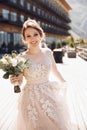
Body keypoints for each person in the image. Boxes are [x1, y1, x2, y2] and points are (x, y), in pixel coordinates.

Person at [10, 19, 71, 130]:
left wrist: (64, 82)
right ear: (24, 39)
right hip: (30, 98)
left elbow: (55, 70)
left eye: (35, 34)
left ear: (41, 35)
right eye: (28, 36)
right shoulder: (21, 58)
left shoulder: (48, 52)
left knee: (55, 123)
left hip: (48, 93)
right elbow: (20, 81)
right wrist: (15, 81)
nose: (32, 38)